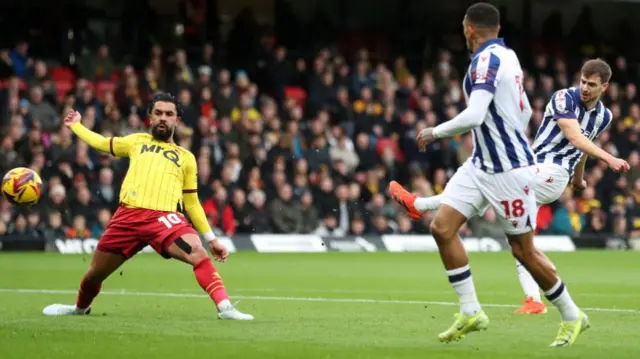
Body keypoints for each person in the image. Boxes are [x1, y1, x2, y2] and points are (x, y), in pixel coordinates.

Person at [389, 3, 588, 347]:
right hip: (481, 164)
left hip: (509, 171)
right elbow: (524, 110)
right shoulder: (508, 57)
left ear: (469, 29)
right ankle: (470, 311)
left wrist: (434, 131)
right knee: (442, 227)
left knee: (523, 252)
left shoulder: (486, 61)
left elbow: (475, 114)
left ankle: (572, 315)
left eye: (463, 28)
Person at [392, 59, 630, 314]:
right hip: (534, 171)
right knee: (519, 239)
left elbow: (580, 144)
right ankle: (534, 300)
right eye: (583, 81)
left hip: (550, 173)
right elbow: (575, 136)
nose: (584, 87)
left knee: (490, 177)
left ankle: (420, 205)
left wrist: (586, 171)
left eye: (591, 85)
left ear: (604, 87)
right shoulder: (564, 98)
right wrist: (581, 179)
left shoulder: (604, 115)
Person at [42, 93, 253, 320]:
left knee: (198, 253)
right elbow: (102, 144)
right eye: (158, 113)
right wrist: (77, 126)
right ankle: (80, 309)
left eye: (169, 114)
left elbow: (191, 202)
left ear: (177, 120)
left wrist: (211, 239)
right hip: (127, 217)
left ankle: (225, 308)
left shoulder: (186, 158)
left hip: (164, 219)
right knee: (95, 274)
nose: (163, 118)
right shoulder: (137, 141)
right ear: (150, 118)